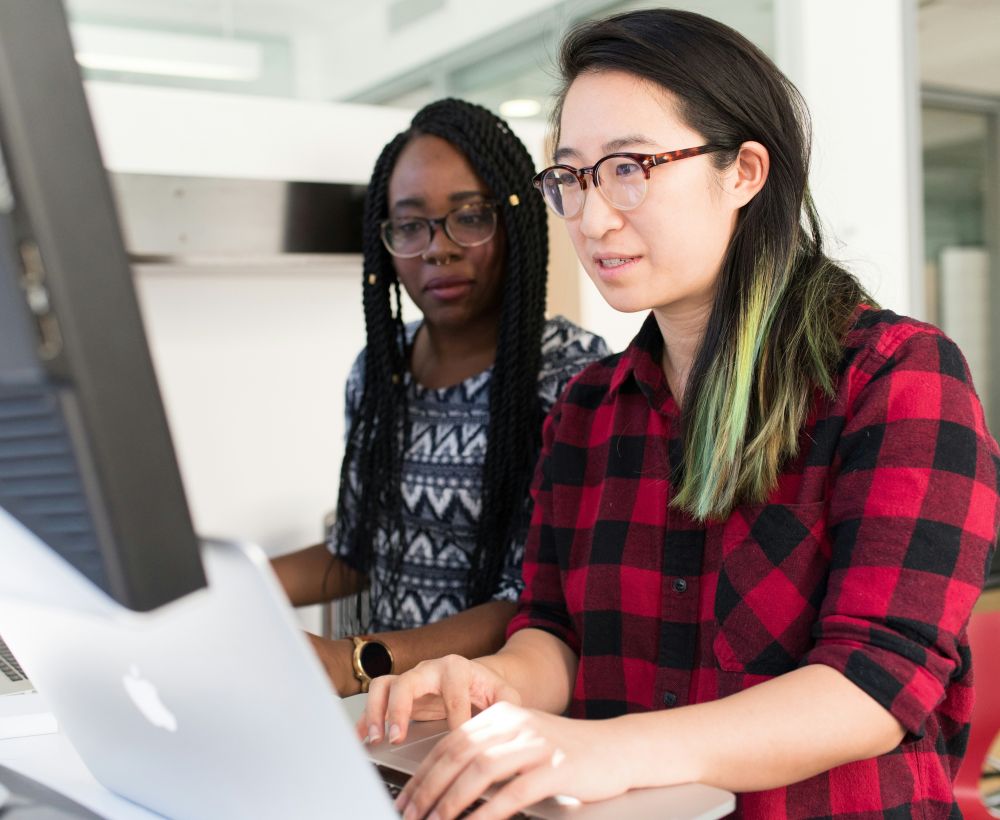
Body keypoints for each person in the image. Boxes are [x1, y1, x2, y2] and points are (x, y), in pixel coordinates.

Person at [357, 10, 1000, 820]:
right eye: (573, 178)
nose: (591, 219)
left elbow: (877, 681)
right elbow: (554, 631)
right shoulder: (588, 409)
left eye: (630, 167)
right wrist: (496, 681)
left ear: (745, 173)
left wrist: (610, 748)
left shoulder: (896, 378)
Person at [272, 99, 609, 697]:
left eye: (470, 217)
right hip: (390, 713)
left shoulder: (570, 377)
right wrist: (220, 588)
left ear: (515, 223)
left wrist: (355, 662)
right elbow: (355, 550)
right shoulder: (379, 372)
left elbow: (534, 600)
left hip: (502, 713)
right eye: (410, 225)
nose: (438, 248)